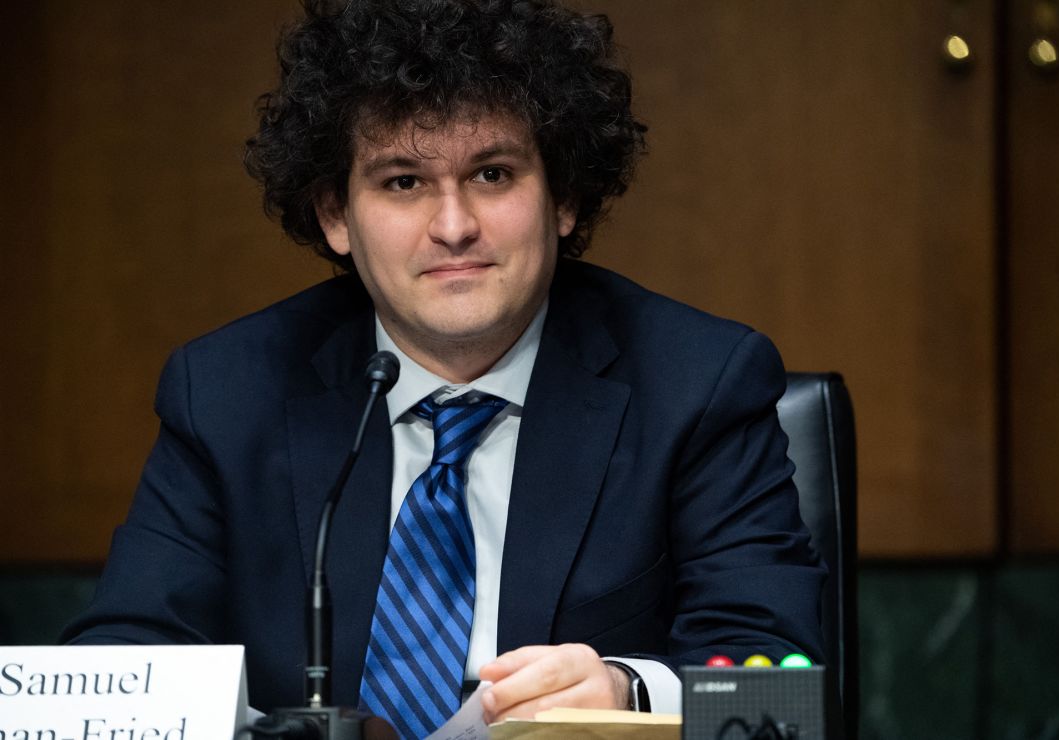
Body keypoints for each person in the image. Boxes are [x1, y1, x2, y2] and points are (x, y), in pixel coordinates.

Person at [63, 0, 825, 736]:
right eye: (403, 182)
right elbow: (121, 667)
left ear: (562, 196)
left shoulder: (699, 382)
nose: (454, 226)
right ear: (336, 215)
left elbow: (785, 694)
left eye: (492, 175)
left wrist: (628, 697)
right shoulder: (228, 392)